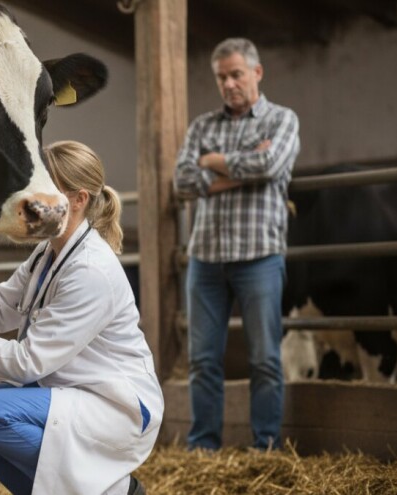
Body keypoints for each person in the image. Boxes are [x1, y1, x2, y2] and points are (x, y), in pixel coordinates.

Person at [0, 140, 163, 495]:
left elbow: (28, 362)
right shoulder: (49, 251)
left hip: (114, 406)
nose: (37, 196)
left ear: (79, 200)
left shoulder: (92, 270)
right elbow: (2, 308)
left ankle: (116, 490)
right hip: (66, 389)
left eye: (52, 188)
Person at [173, 38, 300, 451]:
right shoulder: (201, 126)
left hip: (259, 257)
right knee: (203, 360)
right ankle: (203, 447)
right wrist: (240, 168)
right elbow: (183, 181)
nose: (228, 84)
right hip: (206, 259)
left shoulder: (282, 119)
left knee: (264, 358)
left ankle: (265, 445)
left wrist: (213, 162)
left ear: (257, 73)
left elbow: (270, 164)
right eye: (222, 77)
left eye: (236, 74)